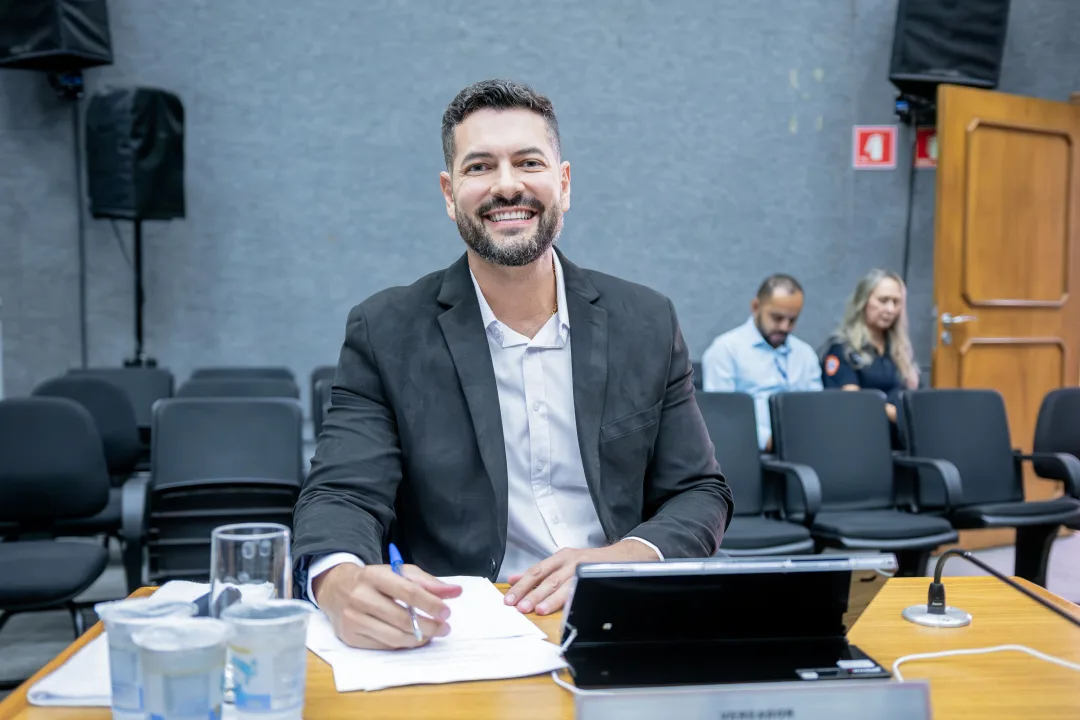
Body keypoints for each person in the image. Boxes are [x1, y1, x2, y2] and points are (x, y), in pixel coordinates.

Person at [292, 79, 733, 651]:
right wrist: (338, 580)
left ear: (564, 183)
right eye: (480, 167)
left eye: (528, 162)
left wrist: (622, 560)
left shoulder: (645, 320)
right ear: (450, 193)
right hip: (463, 630)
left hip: (619, 616)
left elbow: (699, 490)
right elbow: (341, 493)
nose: (507, 186)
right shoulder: (387, 330)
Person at [701, 274, 822, 451]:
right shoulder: (726, 350)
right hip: (749, 454)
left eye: (792, 320)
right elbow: (723, 418)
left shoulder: (805, 354)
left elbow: (817, 408)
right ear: (756, 307)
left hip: (805, 450)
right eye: (777, 318)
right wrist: (768, 440)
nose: (785, 327)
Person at [821, 269, 920, 440]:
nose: (890, 309)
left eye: (896, 302)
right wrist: (902, 417)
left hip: (905, 436)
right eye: (883, 301)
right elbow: (856, 402)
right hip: (868, 439)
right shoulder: (842, 349)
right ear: (863, 301)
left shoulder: (899, 350)